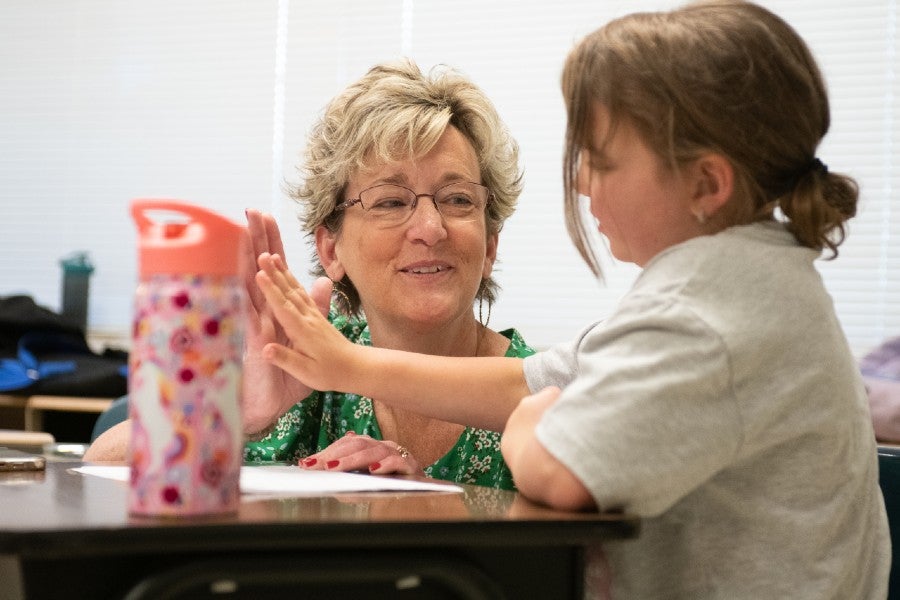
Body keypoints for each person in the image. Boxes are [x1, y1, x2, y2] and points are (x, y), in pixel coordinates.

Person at [249, 1, 890, 597]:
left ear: (706, 183)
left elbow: (556, 462)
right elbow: (526, 385)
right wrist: (335, 367)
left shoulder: (702, 313)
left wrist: (526, 431)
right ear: (328, 246)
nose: (581, 181)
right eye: (391, 201)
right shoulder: (728, 285)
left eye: (603, 161)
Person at [84, 58, 535, 491]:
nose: (431, 229)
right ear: (330, 249)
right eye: (391, 202)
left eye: (458, 200)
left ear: (490, 242)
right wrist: (237, 413)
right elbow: (101, 463)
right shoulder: (310, 371)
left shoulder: (546, 395)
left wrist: (423, 504)